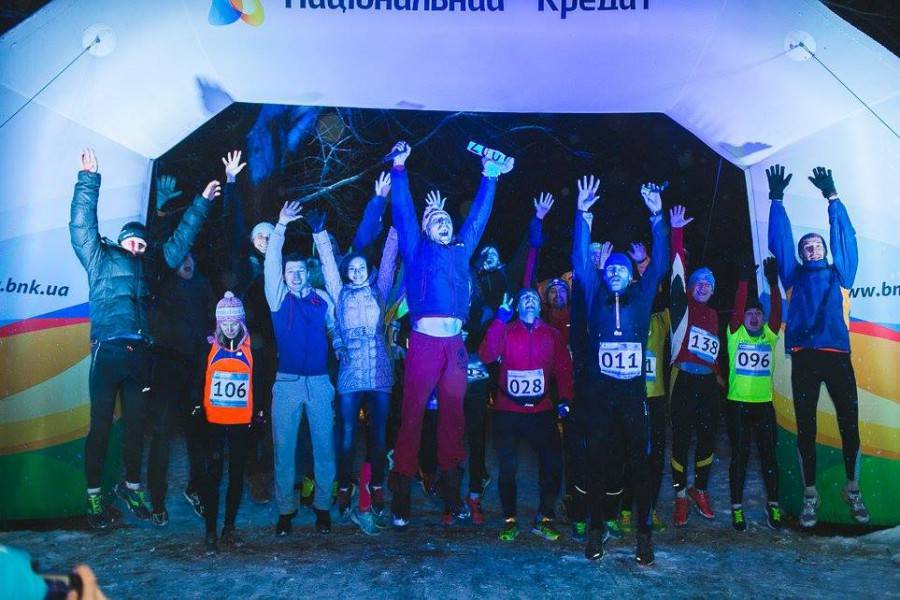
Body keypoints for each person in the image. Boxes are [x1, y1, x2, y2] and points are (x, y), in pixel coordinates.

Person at [69, 148, 220, 528]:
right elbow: (82, 226)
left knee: (137, 426)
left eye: (141, 242)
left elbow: (180, 242)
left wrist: (201, 202)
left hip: (139, 354)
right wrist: (88, 179)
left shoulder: (151, 266)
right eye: (131, 242)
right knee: (101, 426)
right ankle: (93, 496)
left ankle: (132, 487)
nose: (137, 246)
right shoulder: (101, 258)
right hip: (108, 350)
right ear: (121, 242)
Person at [388, 140, 514, 528]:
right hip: (424, 344)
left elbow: (477, 219)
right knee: (412, 416)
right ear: (426, 228)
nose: (443, 223)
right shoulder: (416, 248)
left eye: (446, 219)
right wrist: (399, 170)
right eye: (436, 220)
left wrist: (489, 176)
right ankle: (400, 499)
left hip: (455, 346)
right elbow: (404, 213)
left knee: (453, 420)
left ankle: (453, 498)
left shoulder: (461, 249)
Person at [571, 176, 669, 565]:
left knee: (640, 466)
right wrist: (583, 214)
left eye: (622, 270)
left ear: (631, 276)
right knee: (597, 464)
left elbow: (660, 264)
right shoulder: (594, 293)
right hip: (601, 398)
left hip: (632, 397)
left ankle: (643, 536)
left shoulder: (642, 296)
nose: (615, 273)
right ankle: (595, 530)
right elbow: (580, 262)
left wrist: (658, 217)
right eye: (610, 270)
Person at [766, 164, 868, 527]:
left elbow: (846, 240)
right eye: (806, 246)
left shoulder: (841, 275)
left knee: (849, 425)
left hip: (838, 358)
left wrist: (833, 199)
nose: (812, 249)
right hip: (805, 360)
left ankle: (852, 489)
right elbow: (780, 241)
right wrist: (776, 200)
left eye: (817, 245)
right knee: (806, 428)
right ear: (801, 253)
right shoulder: (792, 277)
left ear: (824, 250)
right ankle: (810, 494)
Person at [313, 173, 399, 535]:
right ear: (348, 273)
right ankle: (346, 485)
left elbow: (390, 259)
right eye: (353, 269)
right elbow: (329, 268)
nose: (358, 271)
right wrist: (320, 234)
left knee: (378, 436)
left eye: (362, 267)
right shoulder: (341, 292)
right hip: (350, 370)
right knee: (347, 435)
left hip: (379, 370)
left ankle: (376, 485)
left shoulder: (380, 288)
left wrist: (396, 227)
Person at [265, 200, 337, 535]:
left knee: (324, 448)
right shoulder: (279, 298)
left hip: (320, 383)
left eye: (299, 271)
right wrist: (280, 225)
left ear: (307, 272)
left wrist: (320, 237)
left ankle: (322, 508)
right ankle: (285, 511)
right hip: (287, 383)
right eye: (289, 271)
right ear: (283, 276)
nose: (294, 276)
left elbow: (335, 325)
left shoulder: (322, 298)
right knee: (284, 450)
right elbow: (271, 262)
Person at [478, 289, 573, 542]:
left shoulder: (552, 335)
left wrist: (565, 398)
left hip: (541, 411)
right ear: (518, 308)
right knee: (507, 468)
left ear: (540, 307)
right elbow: (487, 354)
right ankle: (510, 520)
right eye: (524, 299)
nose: (529, 301)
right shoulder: (506, 330)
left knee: (552, 465)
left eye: (533, 298)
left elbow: (564, 369)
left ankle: (545, 518)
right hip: (508, 411)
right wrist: (499, 320)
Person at [146, 249, 213, 526]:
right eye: (182, 257)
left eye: (191, 257)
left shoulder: (203, 285)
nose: (188, 262)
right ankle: (157, 500)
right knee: (161, 435)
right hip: (166, 370)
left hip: (195, 372)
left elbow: (210, 324)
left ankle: (196, 489)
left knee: (198, 434)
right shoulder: (162, 286)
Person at [669, 205, 722, 527]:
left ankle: (699, 489)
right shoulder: (682, 305)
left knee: (707, 437)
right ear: (691, 287)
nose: (704, 287)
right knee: (681, 438)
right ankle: (679, 495)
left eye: (709, 284)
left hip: (707, 384)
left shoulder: (714, 315)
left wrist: (720, 378)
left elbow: (715, 354)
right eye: (699, 282)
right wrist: (677, 232)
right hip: (684, 379)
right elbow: (677, 272)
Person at [725, 258, 783, 531]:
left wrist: (773, 284)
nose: (754, 317)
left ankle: (773, 504)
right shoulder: (735, 334)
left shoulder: (769, 335)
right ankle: (737, 508)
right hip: (737, 405)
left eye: (758, 313)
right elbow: (737, 310)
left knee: (769, 457)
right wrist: (743, 282)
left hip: (763, 406)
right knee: (740, 457)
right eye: (750, 313)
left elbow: (777, 313)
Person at [200, 292, 255, 552]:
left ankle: (229, 528)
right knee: (213, 477)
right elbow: (198, 381)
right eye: (226, 323)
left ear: (241, 322)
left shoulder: (251, 348)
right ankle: (210, 531)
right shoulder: (209, 347)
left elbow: (258, 383)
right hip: (214, 424)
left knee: (236, 476)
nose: (230, 328)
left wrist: (258, 416)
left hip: (241, 424)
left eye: (235, 322)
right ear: (219, 324)